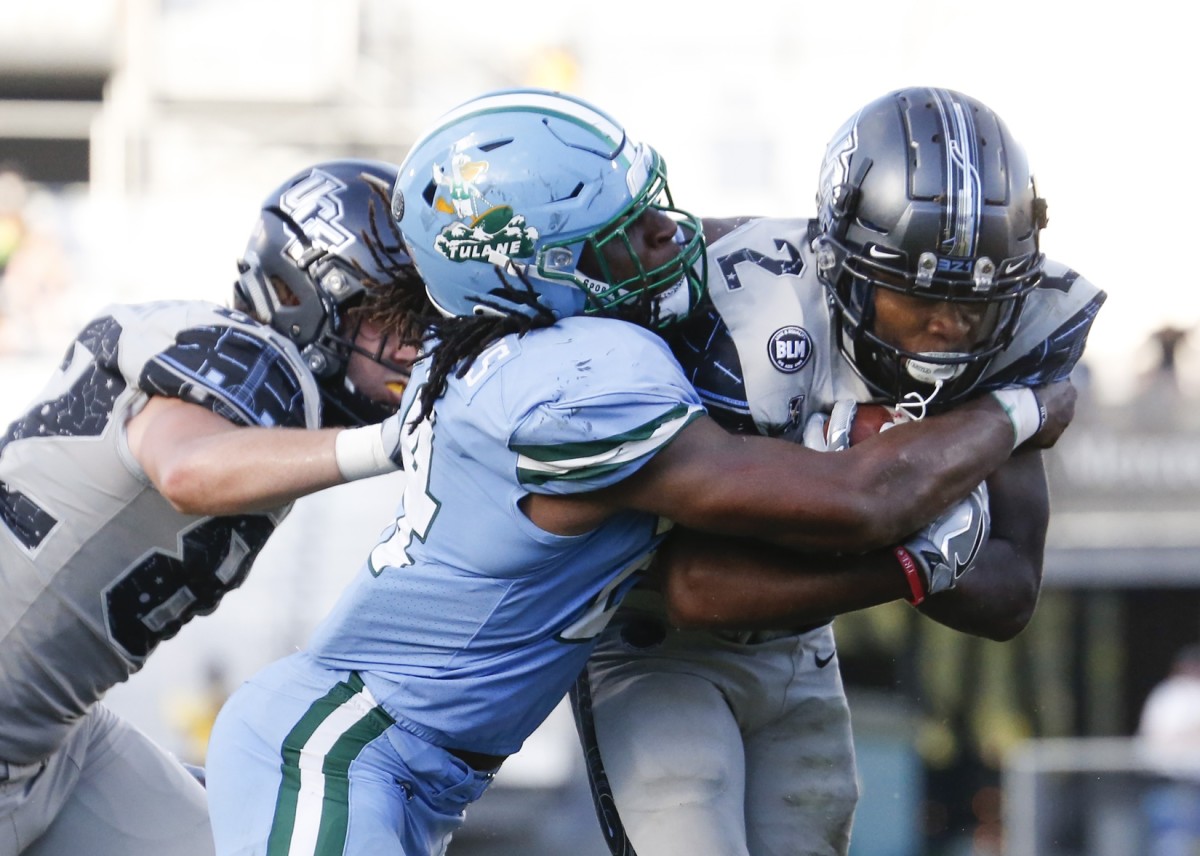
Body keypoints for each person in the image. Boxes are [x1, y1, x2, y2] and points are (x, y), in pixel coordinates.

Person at [202, 88, 1073, 856]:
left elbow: (992, 583)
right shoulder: (579, 380)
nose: (676, 232)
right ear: (540, 270)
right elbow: (854, 501)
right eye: (629, 233)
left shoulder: (540, 351)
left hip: (404, 763)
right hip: (345, 747)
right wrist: (1017, 412)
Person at [571, 86, 1107, 856]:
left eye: (975, 304)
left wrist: (901, 542)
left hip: (797, 653)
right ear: (842, 263)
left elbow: (1012, 586)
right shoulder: (736, 303)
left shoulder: (1022, 327)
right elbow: (699, 587)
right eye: (918, 295)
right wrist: (917, 555)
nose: (949, 327)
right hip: (655, 643)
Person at [0, 158, 431, 856]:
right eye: (392, 320)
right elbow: (185, 469)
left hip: (52, 740)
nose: (414, 350)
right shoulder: (261, 360)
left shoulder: (267, 385)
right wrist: (388, 443)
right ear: (304, 296)